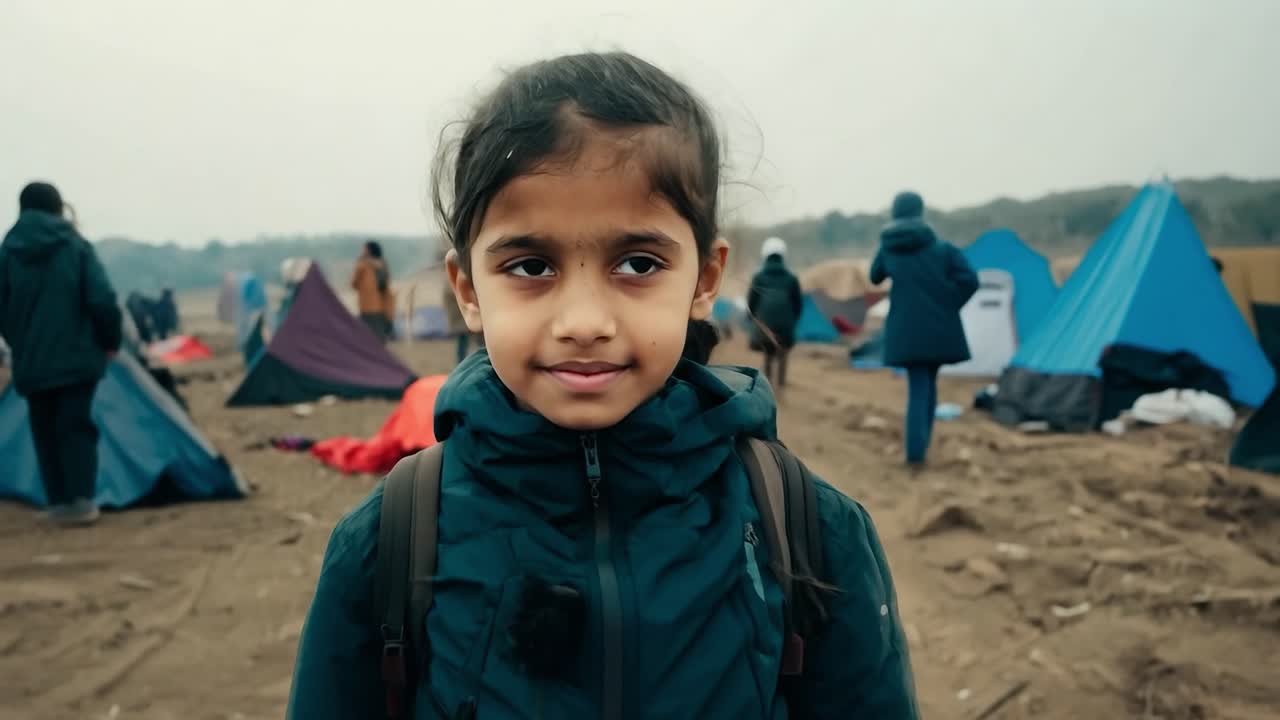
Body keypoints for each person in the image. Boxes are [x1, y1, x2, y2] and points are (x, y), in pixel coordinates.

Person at [286, 52, 918, 720]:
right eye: (531, 266)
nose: (584, 323)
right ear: (468, 291)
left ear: (704, 280)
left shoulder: (808, 528)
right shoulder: (390, 542)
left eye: (638, 264)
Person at [0, 181, 122, 526]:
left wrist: (19, 342)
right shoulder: (75, 245)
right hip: (78, 357)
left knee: (45, 431)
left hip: (32, 360)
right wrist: (110, 341)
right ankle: (82, 502)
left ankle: (58, 503)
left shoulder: (8, 251)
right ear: (58, 207)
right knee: (75, 427)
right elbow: (101, 298)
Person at [870, 191, 978, 466]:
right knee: (928, 384)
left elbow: (874, 276)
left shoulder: (889, 248)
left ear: (894, 212)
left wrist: (884, 248)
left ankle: (916, 454)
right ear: (920, 212)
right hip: (939, 328)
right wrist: (949, 303)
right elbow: (970, 280)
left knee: (919, 386)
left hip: (906, 331)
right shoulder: (942, 249)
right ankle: (919, 451)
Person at [747, 236, 803, 389]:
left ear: (765, 255)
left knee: (768, 350)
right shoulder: (792, 279)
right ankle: (781, 383)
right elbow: (798, 304)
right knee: (783, 351)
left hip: (764, 327)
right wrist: (792, 321)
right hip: (786, 326)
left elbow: (751, 303)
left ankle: (768, 382)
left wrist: (753, 320)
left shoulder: (758, 278)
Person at [352, 240, 393, 342]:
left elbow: (354, 283)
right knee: (379, 332)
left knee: (367, 332)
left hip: (368, 304)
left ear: (369, 250)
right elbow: (387, 282)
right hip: (383, 303)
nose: (362, 251)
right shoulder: (383, 263)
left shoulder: (363, 264)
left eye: (364, 249)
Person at [442, 279, 482, 365]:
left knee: (463, 344)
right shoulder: (453, 286)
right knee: (464, 344)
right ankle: (463, 363)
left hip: (461, 321)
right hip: (462, 322)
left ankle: (462, 363)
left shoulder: (449, 286)